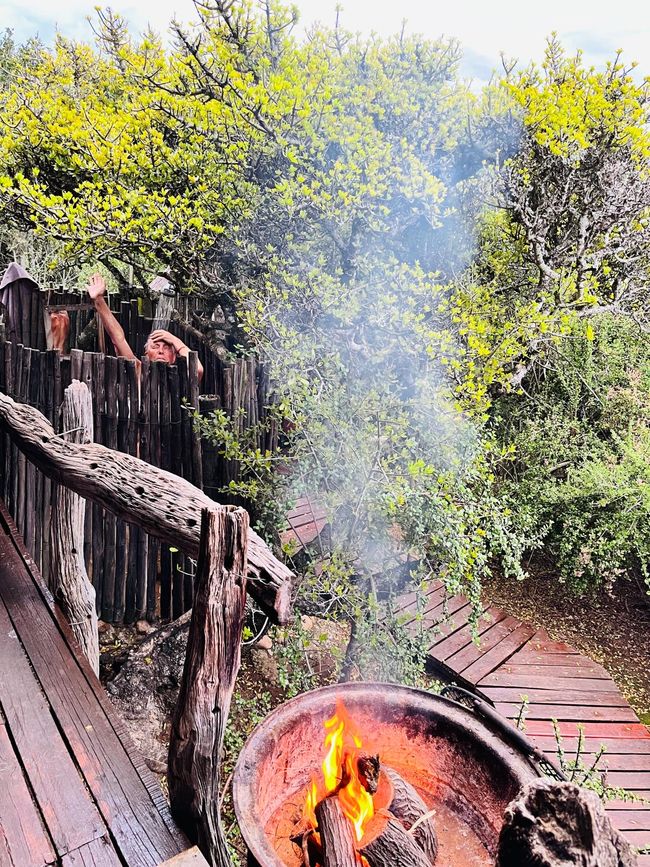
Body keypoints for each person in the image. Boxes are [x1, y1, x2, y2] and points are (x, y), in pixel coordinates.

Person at [86, 273, 203, 381]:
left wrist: (175, 341)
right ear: (146, 354)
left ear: (174, 357)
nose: (161, 351)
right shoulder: (139, 372)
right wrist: (99, 300)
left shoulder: (181, 378)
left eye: (167, 347)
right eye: (155, 347)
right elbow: (118, 339)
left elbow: (198, 370)